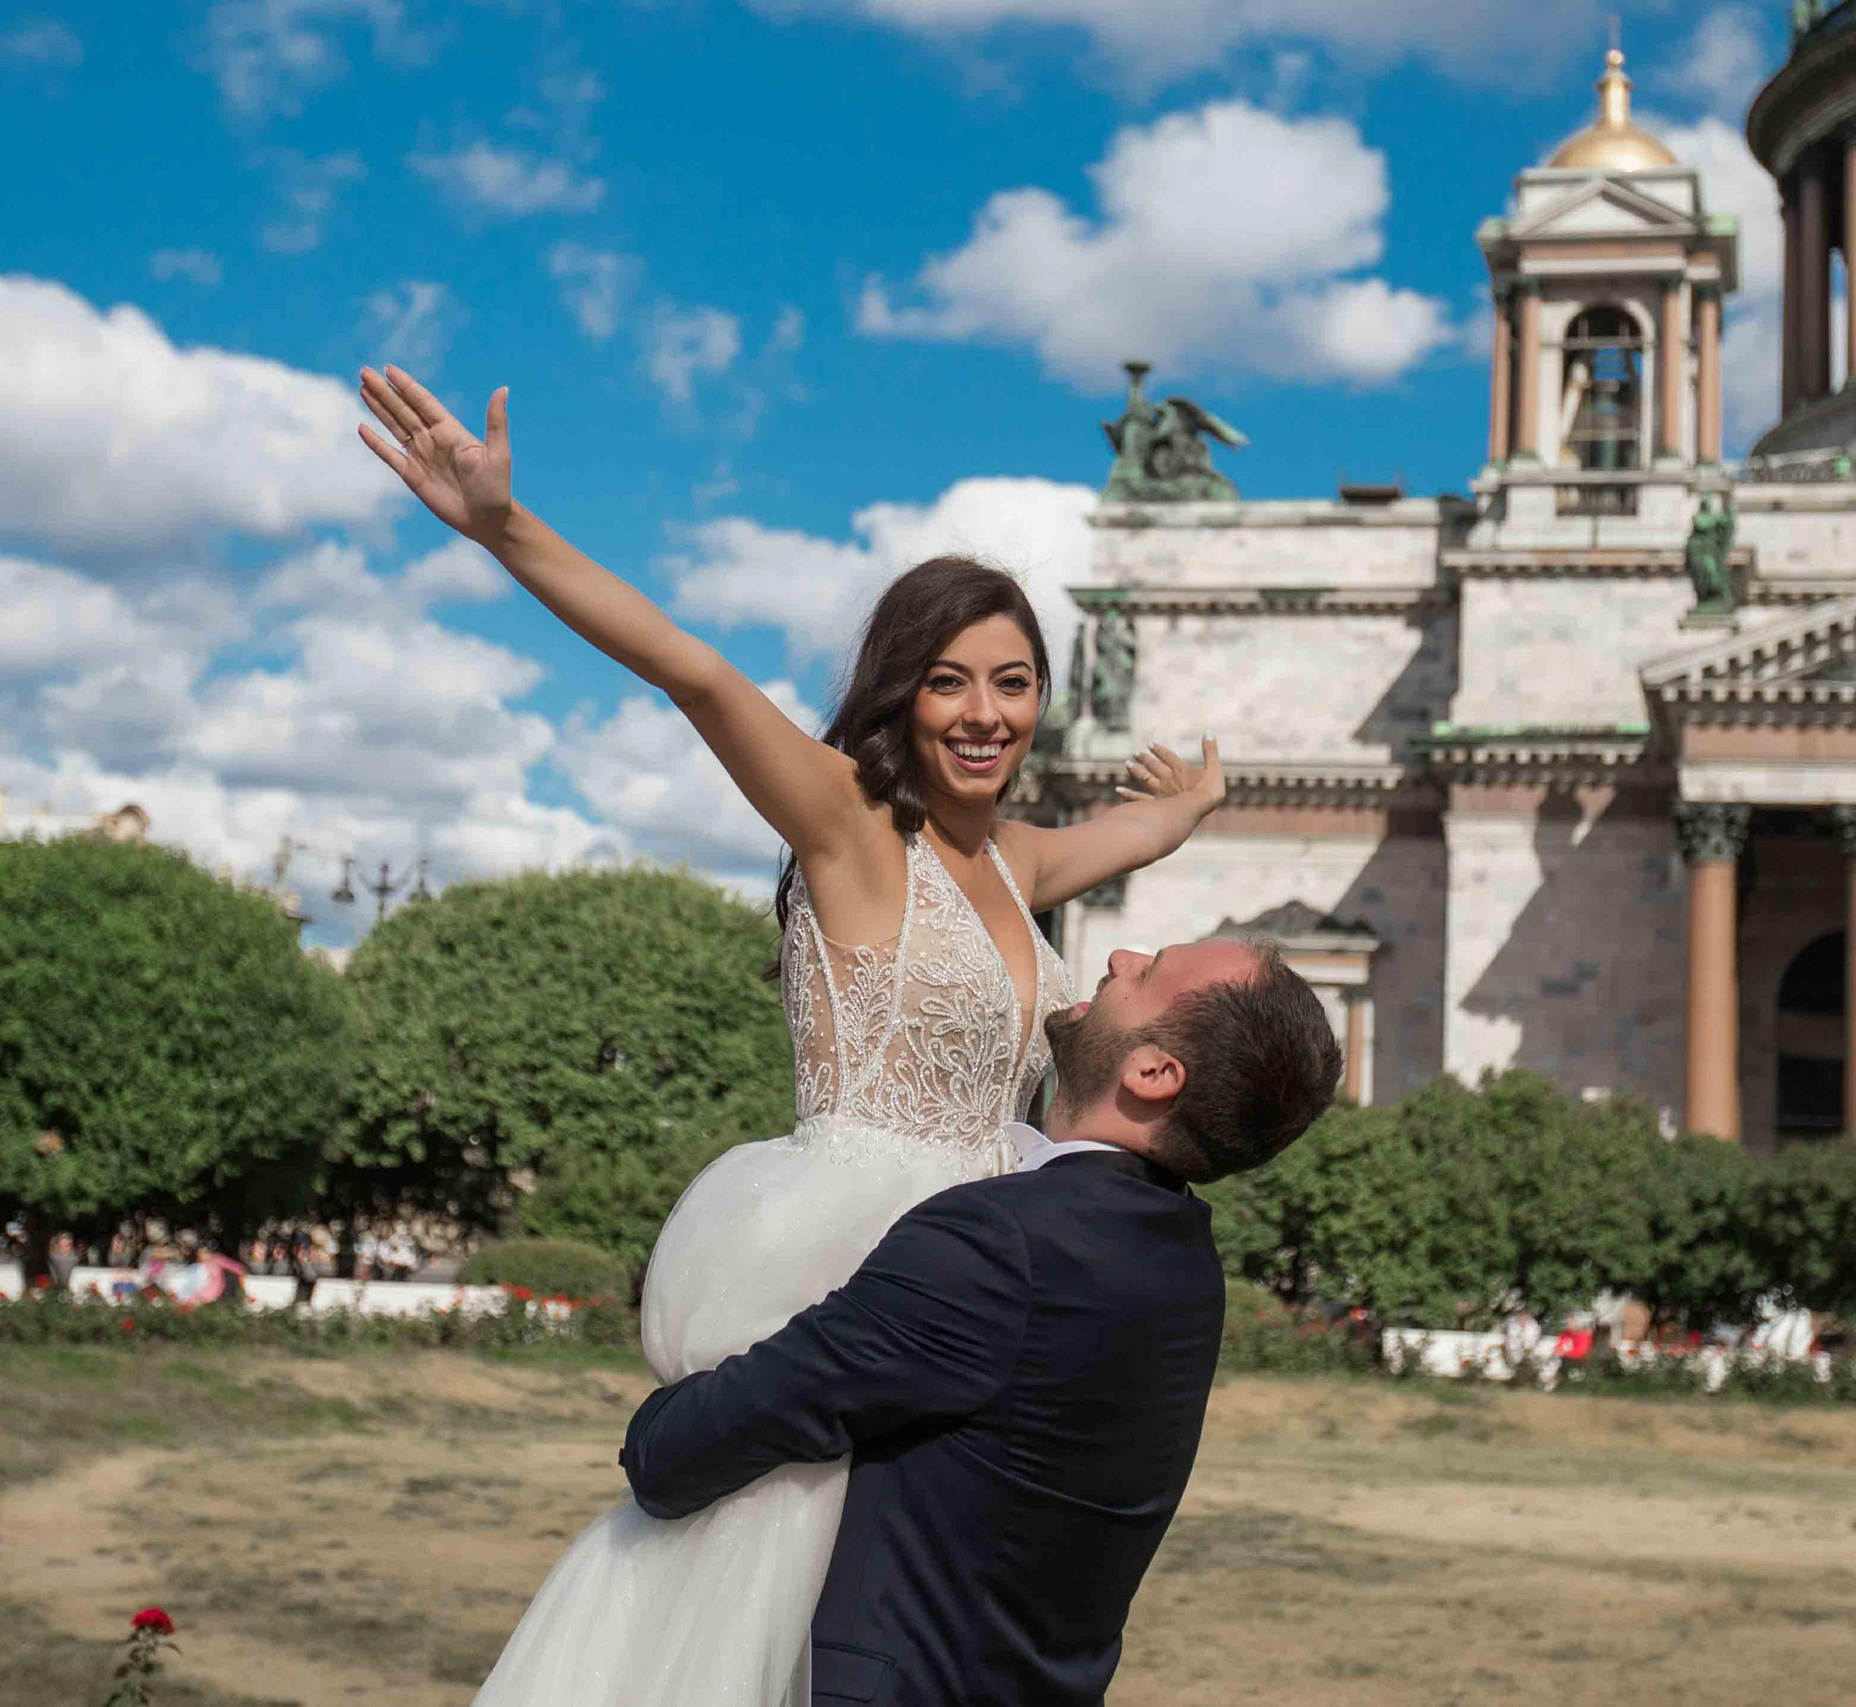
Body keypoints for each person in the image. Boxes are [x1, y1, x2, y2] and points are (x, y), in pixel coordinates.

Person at [355, 365, 1227, 1706]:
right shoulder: (849, 825)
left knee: (904, 1601)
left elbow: (1132, 833)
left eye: (1013, 680)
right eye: (949, 681)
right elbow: (695, 673)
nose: (986, 711)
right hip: (848, 1250)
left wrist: (1192, 805)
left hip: (979, 1268)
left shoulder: (1014, 863)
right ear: (902, 692)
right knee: (760, 1599)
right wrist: (501, 526)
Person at [622, 936, 1343, 1707]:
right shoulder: (1184, 1257)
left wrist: (664, 1399)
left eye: (1150, 971)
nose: (1121, 956)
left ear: (1154, 1072)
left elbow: (678, 1454)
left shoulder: (1006, 1242)